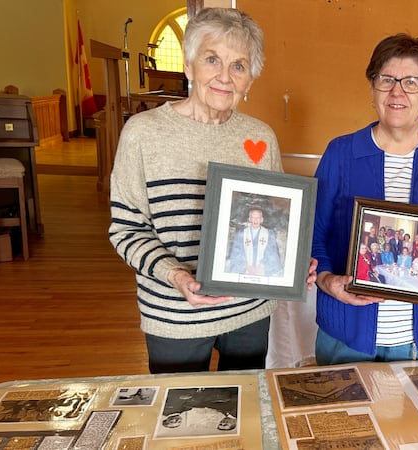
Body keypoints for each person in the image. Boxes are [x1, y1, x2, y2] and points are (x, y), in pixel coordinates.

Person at [108, 7, 317, 374]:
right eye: (212, 59)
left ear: (250, 78)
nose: (225, 76)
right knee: (180, 419)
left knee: (248, 413)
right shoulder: (143, 133)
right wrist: (176, 274)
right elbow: (126, 229)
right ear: (189, 66)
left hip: (249, 313)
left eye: (239, 65)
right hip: (174, 313)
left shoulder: (261, 138)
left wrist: (293, 265)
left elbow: (277, 221)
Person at [312, 33, 418, 365]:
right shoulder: (340, 152)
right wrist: (328, 281)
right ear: (372, 86)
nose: (397, 92)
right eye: (386, 79)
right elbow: (314, 237)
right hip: (347, 331)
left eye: (411, 82)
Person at [227, 205, 282, 276]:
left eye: (258, 218)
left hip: (263, 270)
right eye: (253, 217)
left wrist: (261, 267)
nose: (255, 220)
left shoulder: (269, 234)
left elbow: (272, 254)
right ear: (249, 219)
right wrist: (247, 266)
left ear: (262, 220)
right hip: (244, 270)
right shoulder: (241, 234)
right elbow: (236, 253)